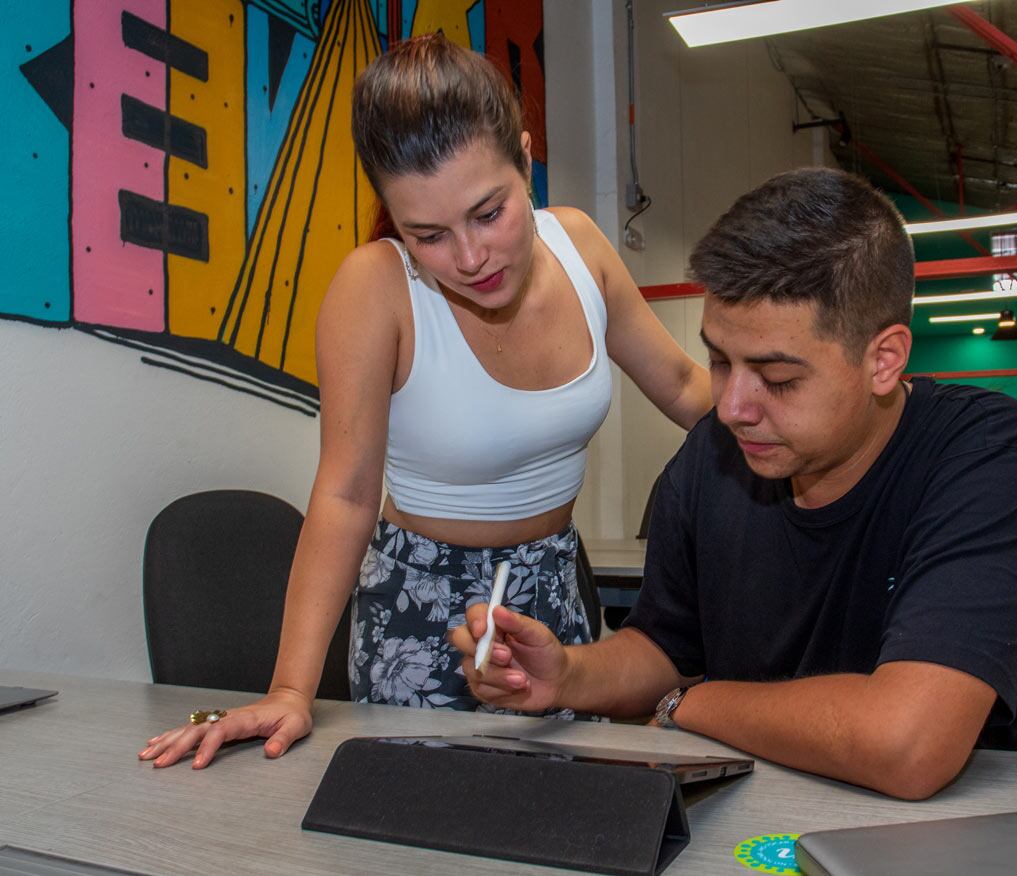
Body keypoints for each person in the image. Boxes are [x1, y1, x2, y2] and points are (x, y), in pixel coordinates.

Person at [139, 34, 710, 770]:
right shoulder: (374, 289)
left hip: (557, 593)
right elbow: (345, 493)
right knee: (424, 820)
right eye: (429, 234)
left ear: (526, 161)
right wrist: (289, 688)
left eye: (490, 213)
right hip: (420, 607)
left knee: (567, 815)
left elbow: (688, 389)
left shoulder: (581, 247)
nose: (470, 258)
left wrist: (839, 430)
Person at [451, 167, 1017, 801]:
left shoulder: (982, 453)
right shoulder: (713, 458)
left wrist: (692, 701)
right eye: (720, 361)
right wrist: (567, 676)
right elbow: (664, 644)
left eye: (776, 378)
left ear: (883, 360)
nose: (732, 407)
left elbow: (906, 744)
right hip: (755, 812)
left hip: (939, 835)